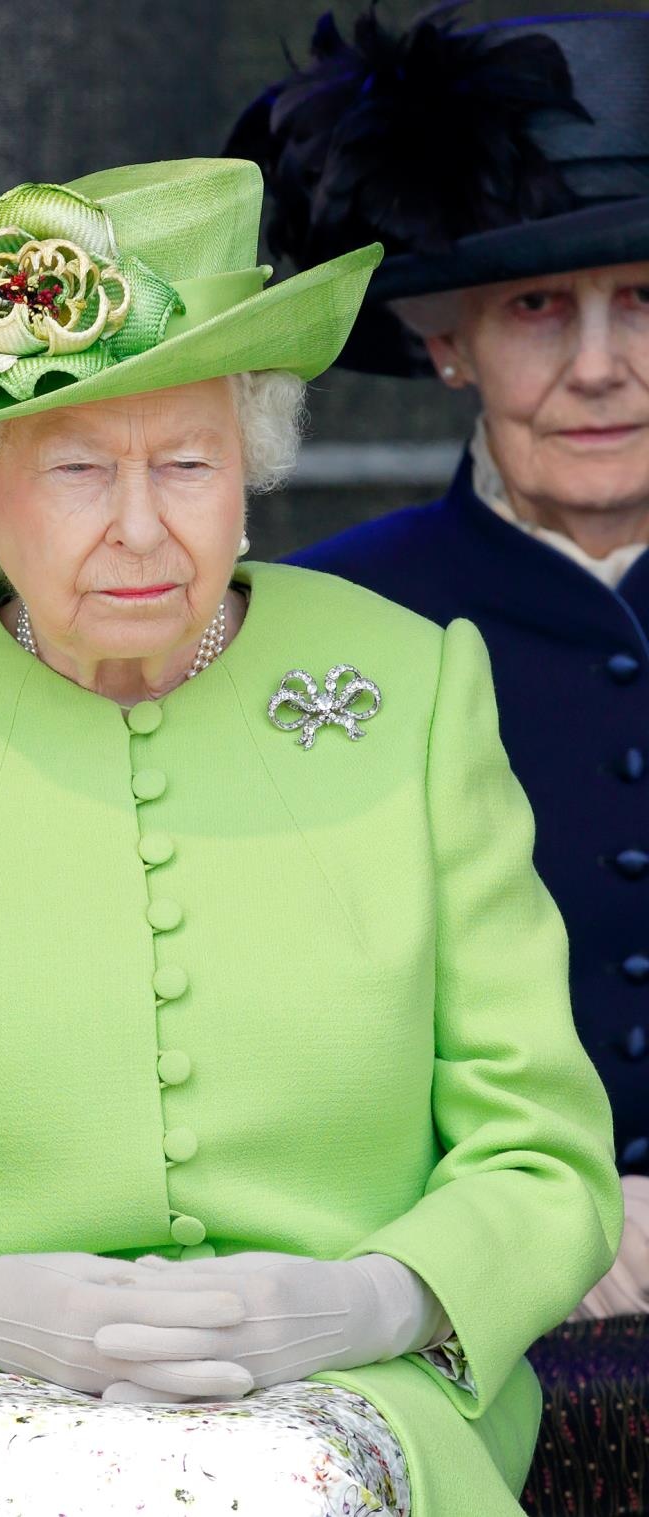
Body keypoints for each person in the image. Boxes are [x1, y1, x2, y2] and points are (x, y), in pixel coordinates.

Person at [0, 158, 622, 1516]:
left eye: (187, 464)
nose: (139, 527)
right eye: (75, 469)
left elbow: (541, 1144)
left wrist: (367, 1302)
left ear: (253, 472)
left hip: (357, 1384)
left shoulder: (410, 686)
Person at [228, 7, 649, 1315]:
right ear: (447, 339)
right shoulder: (322, 624)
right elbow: (272, 1036)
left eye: (644, 301)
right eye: (537, 308)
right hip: (448, 1311)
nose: (600, 370)